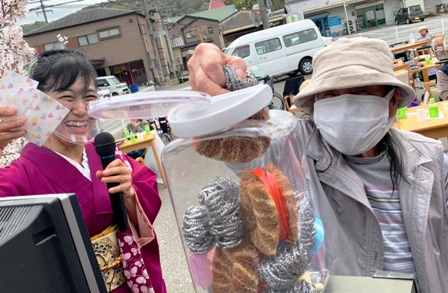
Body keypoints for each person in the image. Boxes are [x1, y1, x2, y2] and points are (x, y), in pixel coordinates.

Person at [187, 38, 448, 293]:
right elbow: (246, 142)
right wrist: (225, 87)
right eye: (331, 94)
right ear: (315, 105)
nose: (345, 106)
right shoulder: (293, 148)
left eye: (361, 92)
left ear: (392, 102)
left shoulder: (430, 160)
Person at [0, 50, 166, 293]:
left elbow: (148, 191)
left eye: (89, 97)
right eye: (66, 97)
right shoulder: (19, 176)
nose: (81, 109)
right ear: (36, 103)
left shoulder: (108, 155)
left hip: (131, 283)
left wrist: (129, 196)